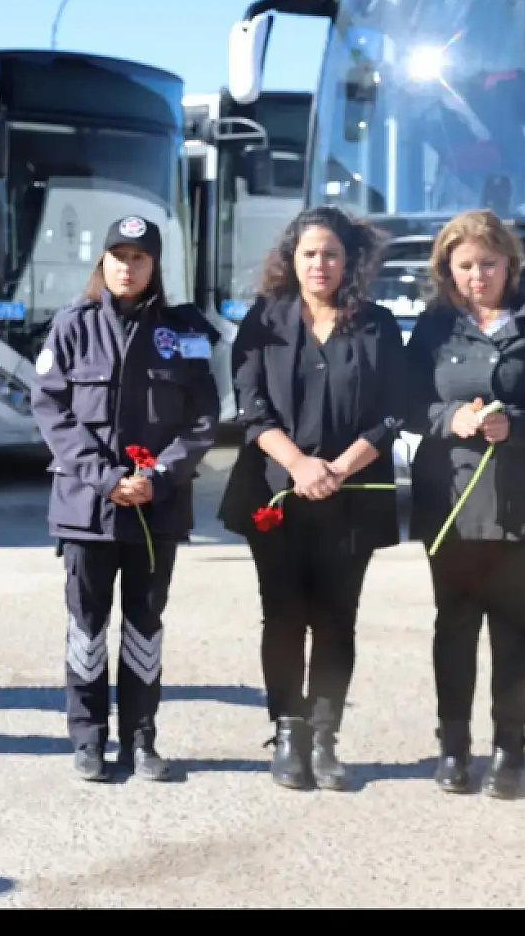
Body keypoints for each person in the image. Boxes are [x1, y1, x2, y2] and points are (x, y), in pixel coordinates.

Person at [218, 206, 404, 792]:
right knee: (283, 617)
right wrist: (298, 464)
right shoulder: (264, 320)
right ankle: (288, 733)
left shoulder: (378, 324)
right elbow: (250, 405)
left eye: (330, 253)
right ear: (291, 259)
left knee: (336, 620)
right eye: (309, 253)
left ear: (349, 260)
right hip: (277, 492)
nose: (319, 264)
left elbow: (392, 412)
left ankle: (325, 739)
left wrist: (340, 467)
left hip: (353, 495)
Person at [31, 214, 220, 783]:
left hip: (155, 509)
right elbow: (51, 411)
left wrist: (157, 478)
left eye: (139, 257)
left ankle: (141, 740)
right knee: (87, 627)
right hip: (87, 508)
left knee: (143, 625)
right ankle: (87, 738)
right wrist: (105, 476)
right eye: (118, 255)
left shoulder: (183, 332)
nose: (127, 266)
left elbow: (204, 419)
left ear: (155, 266)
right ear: (102, 261)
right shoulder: (72, 326)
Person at [403, 210, 525, 799]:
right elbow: (406, 403)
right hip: (449, 497)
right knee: (453, 623)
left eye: (489, 264)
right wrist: (449, 418)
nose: (479, 276)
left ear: (510, 265)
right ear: (448, 270)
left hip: (522, 501)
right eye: (466, 266)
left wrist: (516, 425)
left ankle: (510, 744)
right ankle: (454, 746)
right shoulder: (434, 327)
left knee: (514, 625)